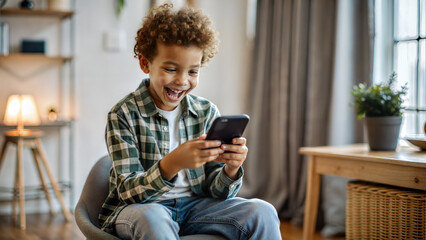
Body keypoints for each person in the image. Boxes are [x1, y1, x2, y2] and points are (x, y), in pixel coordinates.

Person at [98, 3, 282, 240]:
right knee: (153, 219)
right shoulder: (123, 114)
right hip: (140, 210)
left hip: (194, 208)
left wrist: (231, 169)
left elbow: (217, 192)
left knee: (262, 211)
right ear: (145, 64)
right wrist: (171, 164)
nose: (182, 80)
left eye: (193, 72)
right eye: (171, 69)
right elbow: (127, 193)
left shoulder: (206, 112)